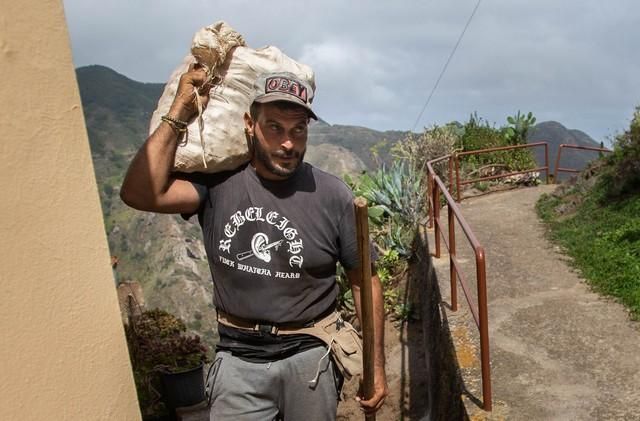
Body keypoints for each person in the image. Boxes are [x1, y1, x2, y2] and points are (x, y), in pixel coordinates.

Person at [120, 64, 388, 420]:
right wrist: (179, 112)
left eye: (298, 130)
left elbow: (364, 281)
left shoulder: (331, 194)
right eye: (274, 128)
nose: (288, 143)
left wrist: (377, 367)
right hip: (238, 359)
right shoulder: (217, 184)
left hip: (310, 356)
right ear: (250, 124)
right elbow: (141, 193)